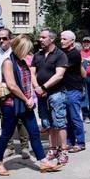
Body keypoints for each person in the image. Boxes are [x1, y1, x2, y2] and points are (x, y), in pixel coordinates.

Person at [0, 35, 61, 175]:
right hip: (11, 104)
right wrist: (26, 99)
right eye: (26, 49)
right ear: (19, 48)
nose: (28, 52)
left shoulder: (23, 62)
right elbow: (12, 85)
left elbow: (29, 81)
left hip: (25, 103)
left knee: (34, 133)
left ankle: (43, 161)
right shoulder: (8, 62)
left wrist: (31, 97)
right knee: (6, 135)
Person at [0, 29, 30, 158]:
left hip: (16, 90)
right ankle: (9, 147)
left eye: (4, 38)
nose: (1, 41)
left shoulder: (16, 52)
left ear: (10, 39)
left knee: (21, 119)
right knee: (4, 119)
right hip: (1, 91)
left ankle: (25, 147)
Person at [31, 29, 68, 165]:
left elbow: (59, 75)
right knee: (48, 123)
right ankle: (52, 149)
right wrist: (37, 88)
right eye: (40, 37)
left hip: (56, 93)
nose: (40, 39)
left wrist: (44, 87)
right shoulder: (37, 55)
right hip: (41, 95)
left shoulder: (60, 55)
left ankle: (63, 150)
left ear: (52, 39)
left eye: (43, 37)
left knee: (59, 122)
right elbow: (32, 73)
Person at [60, 31, 86, 154]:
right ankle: (70, 141)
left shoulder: (74, 54)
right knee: (68, 118)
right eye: (61, 39)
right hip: (65, 89)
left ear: (71, 41)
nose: (61, 41)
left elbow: (61, 69)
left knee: (75, 117)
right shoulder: (63, 53)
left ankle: (80, 142)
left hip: (74, 89)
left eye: (64, 39)